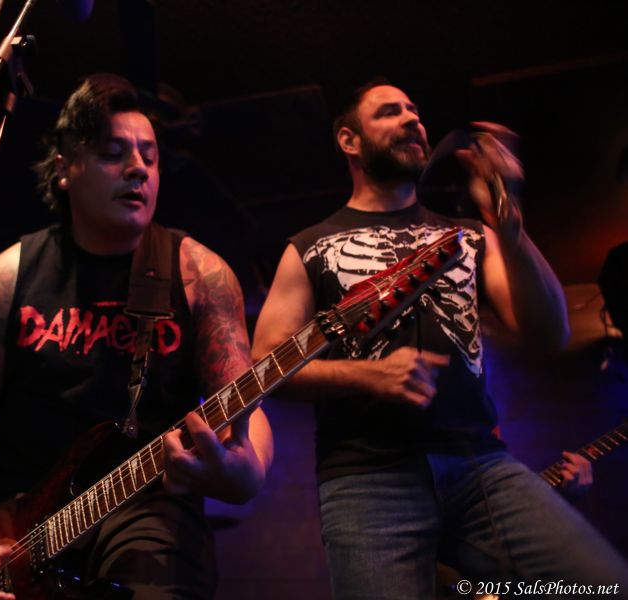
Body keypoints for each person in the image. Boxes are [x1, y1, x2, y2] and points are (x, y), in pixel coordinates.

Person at [251, 79, 628, 599]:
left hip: (481, 466)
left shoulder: (471, 235)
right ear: (349, 140)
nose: (413, 119)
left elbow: (549, 333)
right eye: (390, 112)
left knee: (604, 586)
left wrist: (510, 223)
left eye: (415, 111)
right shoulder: (310, 246)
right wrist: (366, 375)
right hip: (367, 480)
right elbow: (264, 368)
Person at [0, 73, 273, 599]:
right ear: (64, 168)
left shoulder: (200, 274)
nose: (138, 168)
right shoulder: (5, 277)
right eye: (114, 153)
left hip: (149, 507)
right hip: (13, 532)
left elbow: (244, 405)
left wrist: (246, 470)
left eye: (150, 157)